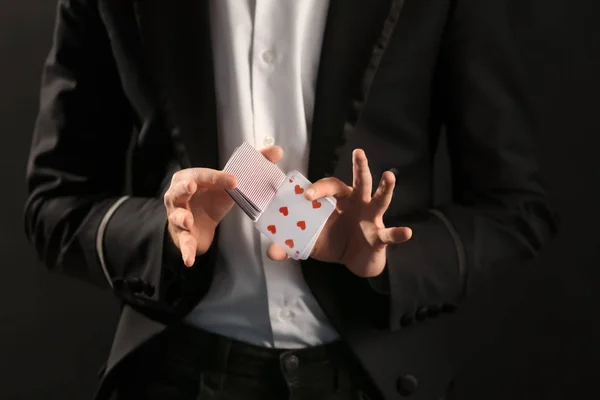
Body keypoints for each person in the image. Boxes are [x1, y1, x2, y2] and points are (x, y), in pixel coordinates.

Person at [24, 0, 558, 399]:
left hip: (372, 376)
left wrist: (387, 259)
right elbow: (54, 203)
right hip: (172, 370)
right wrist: (163, 236)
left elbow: (516, 210)